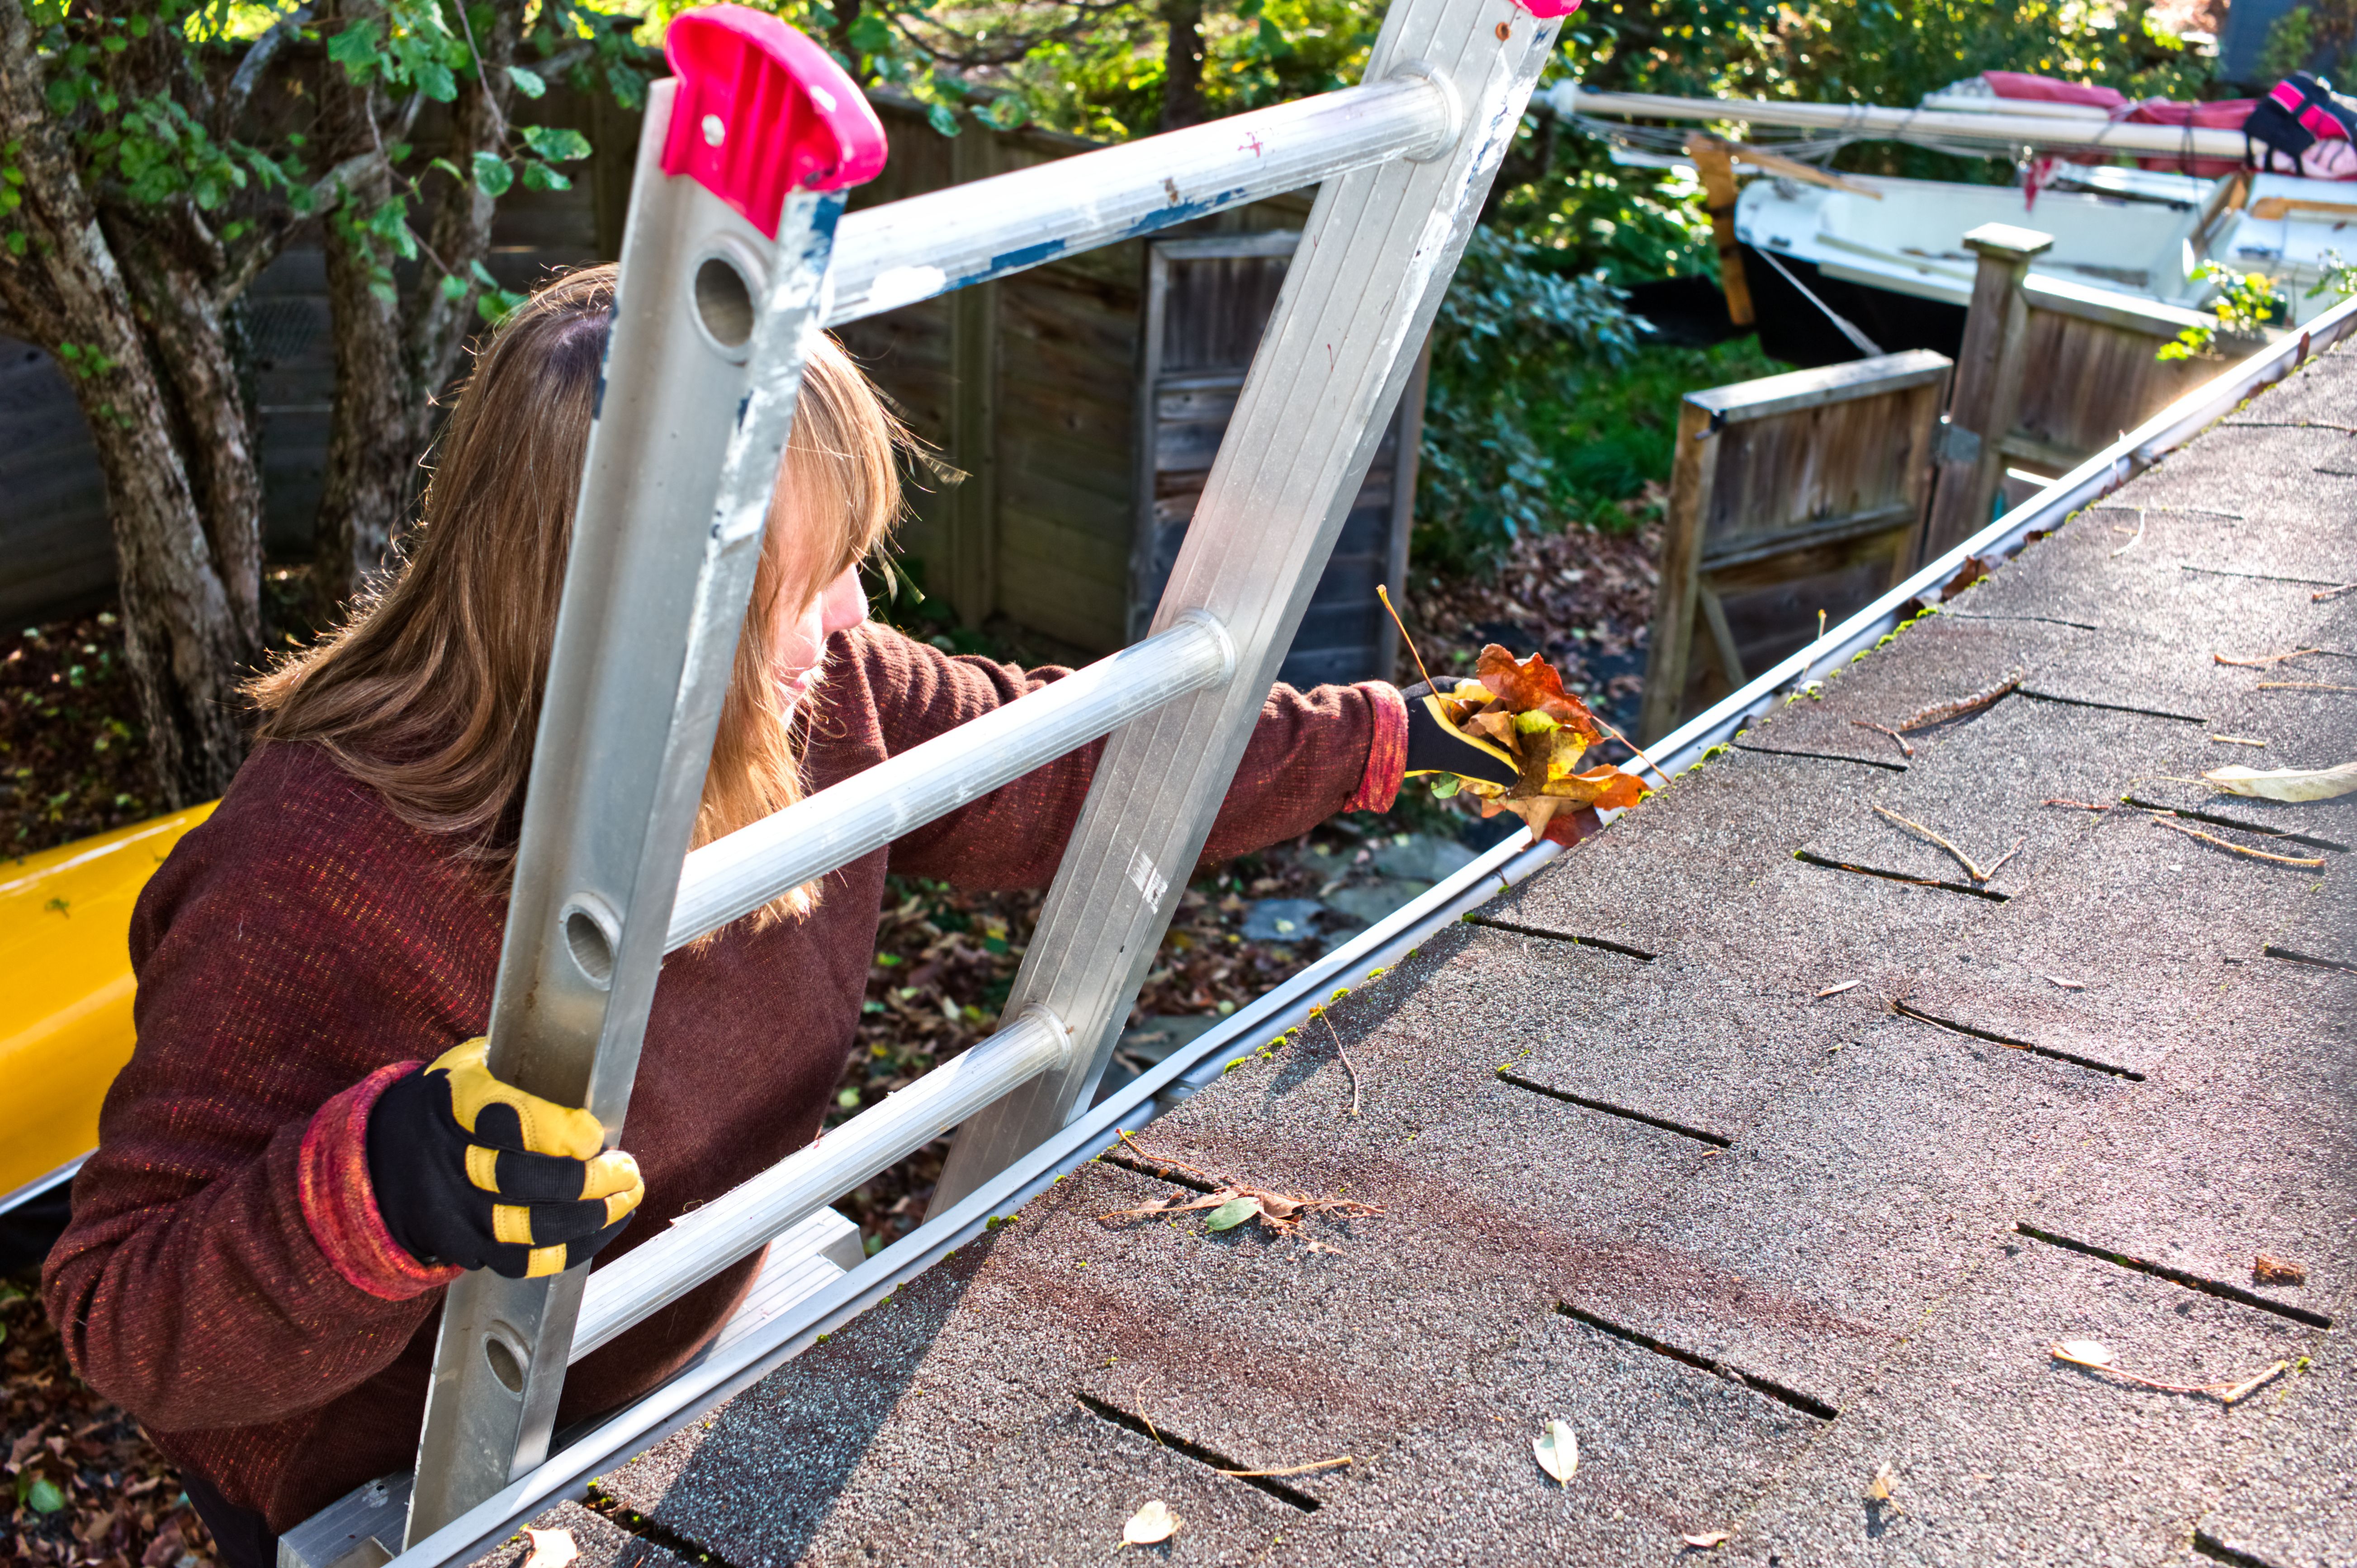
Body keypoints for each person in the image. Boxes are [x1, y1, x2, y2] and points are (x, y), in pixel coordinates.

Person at [39, 264, 1536, 1568]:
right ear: (618, 610)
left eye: (850, 565)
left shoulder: (824, 701)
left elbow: (1079, 752)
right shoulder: (319, 863)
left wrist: (1391, 738)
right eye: (804, 581)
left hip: (677, 1353)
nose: (853, 618)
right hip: (379, 1478)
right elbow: (120, 1316)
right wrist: (381, 1186)